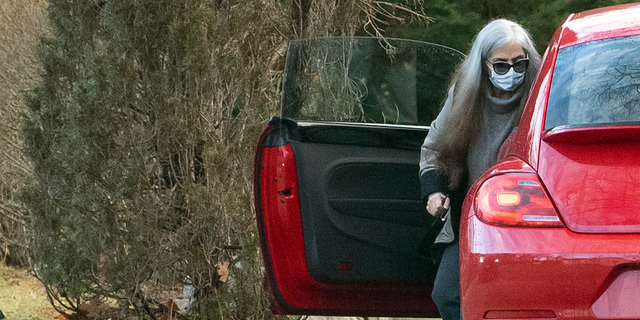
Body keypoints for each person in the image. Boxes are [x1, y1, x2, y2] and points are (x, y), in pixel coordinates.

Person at [419, 19, 541, 320]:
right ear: (483, 65)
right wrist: (434, 191)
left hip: (528, 218)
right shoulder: (465, 94)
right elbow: (434, 148)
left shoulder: (541, 94)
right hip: (473, 218)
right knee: (447, 294)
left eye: (519, 63)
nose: (511, 73)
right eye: (501, 65)